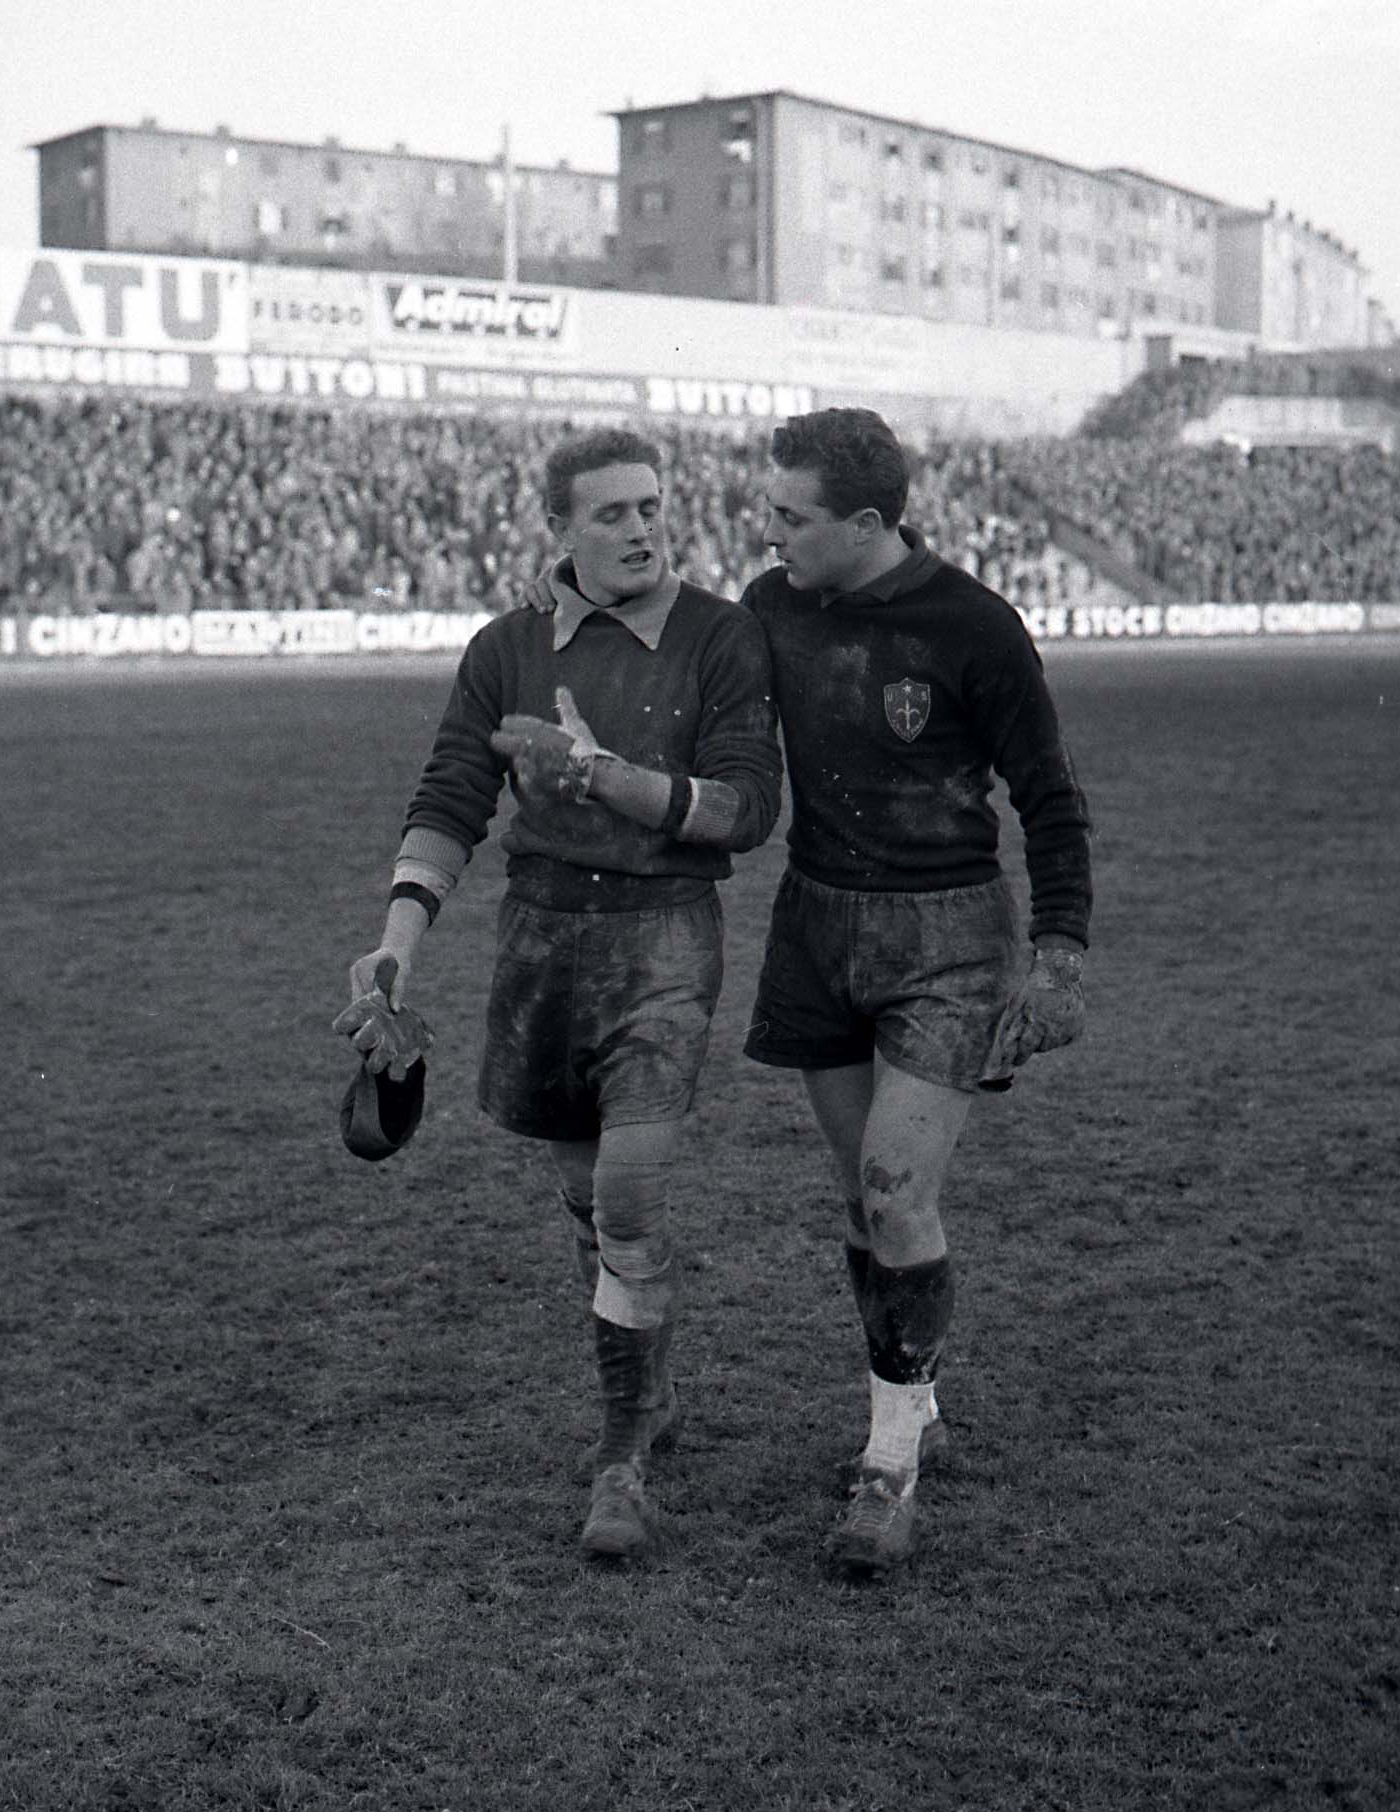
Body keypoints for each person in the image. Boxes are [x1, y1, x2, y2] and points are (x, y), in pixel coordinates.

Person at [342, 426, 782, 1563]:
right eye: (611, 513)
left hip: (663, 939)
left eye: (651, 506)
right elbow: (451, 795)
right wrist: (394, 947)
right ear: (558, 529)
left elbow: (745, 808)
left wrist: (598, 774)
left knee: (627, 1196)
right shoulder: (505, 648)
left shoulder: (720, 635)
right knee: (589, 1205)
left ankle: (621, 1460)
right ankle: (649, 1386)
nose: (640, 529)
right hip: (542, 945)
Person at [740, 407, 1092, 1575]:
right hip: (816, 927)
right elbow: (686, 667)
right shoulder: (772, 604)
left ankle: (888, 1467)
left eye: (790, 515)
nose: (770, 532)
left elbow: (1049, 797)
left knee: (896, 1194)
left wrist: (1059, 956)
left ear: (864, 523)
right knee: (862, 1202)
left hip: (947, 937)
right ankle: (915, 1401)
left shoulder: (974, 626)